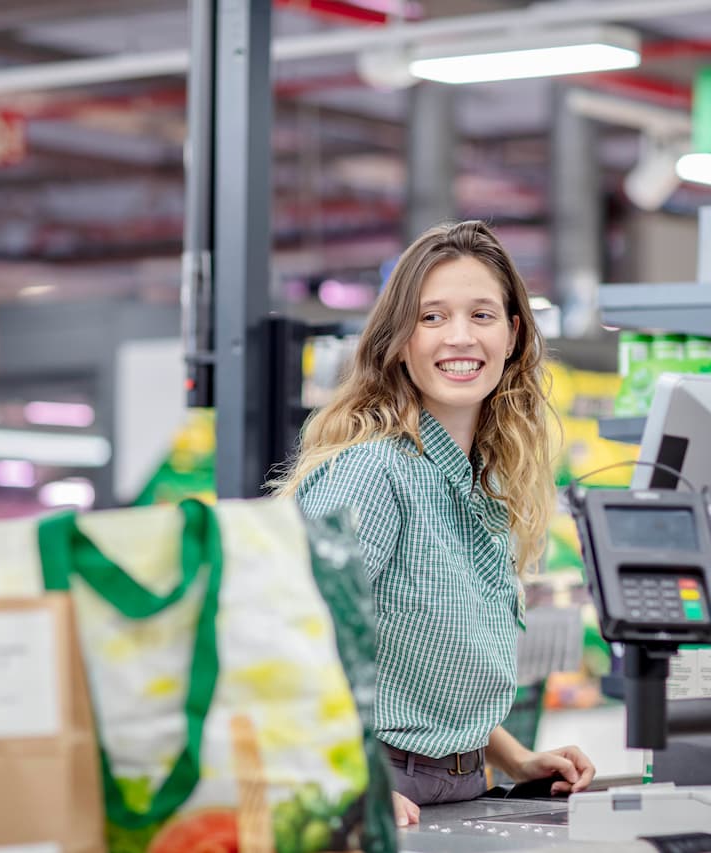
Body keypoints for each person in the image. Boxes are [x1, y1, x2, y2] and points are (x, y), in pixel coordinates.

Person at [273, 220, 595, 825]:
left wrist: (518, 758)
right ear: (399, 341)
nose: (459, 338)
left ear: (513, 335)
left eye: (481, 315)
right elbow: (291, 641)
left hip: (462, 786)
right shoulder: (372, 472)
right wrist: (352, 780)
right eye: (432, 317)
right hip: (378, 789)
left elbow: (432, 684)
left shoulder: (484, 487)